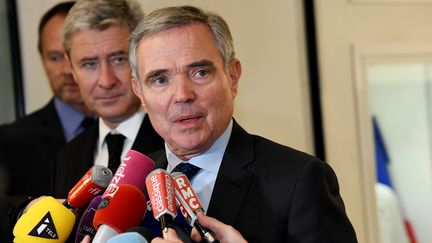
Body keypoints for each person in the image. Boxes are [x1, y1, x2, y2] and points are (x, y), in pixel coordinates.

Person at [129, 5, 358, 242]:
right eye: (160, 80)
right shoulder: (130, 188)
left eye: (200, 73)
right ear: (140, 94)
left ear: (233, 77)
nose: (182, 95)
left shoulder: (299, 181)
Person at [0, 1, 93, 240]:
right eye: (54, 58)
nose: (66, 70)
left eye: (76, 57)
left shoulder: (147, 129)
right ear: (42, 60)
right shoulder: (9, 139)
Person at [53, 0, 164, 197]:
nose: (106, 81)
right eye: (89, 64)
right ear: (72, 69)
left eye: (118, 59)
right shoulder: (68, 156)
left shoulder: (176, 140)